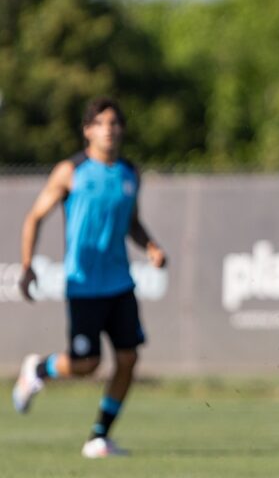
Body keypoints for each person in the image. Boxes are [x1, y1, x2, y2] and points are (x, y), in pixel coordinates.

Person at [13, 96, 166, 458]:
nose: (109, 130)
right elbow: (34, 217)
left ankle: (98, 436)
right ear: (87, 130)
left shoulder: (130, 173)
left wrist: (151, 246)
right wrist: (27, 264)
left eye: (115, 124)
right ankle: (38, 367)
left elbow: (131, 222)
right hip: (83, 283)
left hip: (120, 283)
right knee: (86, 364)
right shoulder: (71, 171)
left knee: (128, 359)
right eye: (102, 123)